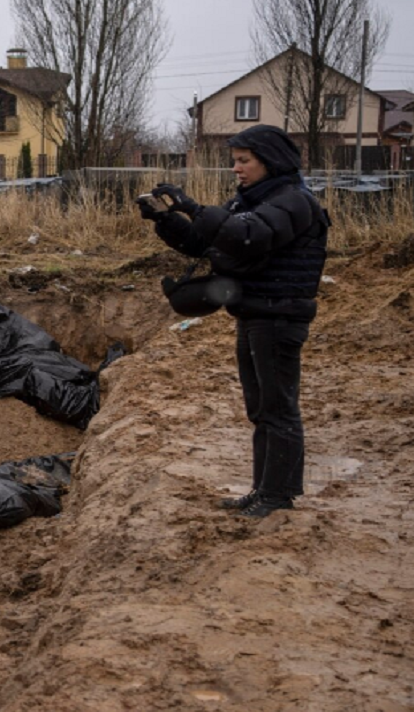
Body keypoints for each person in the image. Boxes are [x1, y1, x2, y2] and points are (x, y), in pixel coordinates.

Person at [137, 124, 329, 518]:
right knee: (261, 407)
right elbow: (205, 243)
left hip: (279, 315)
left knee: (277, 408)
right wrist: (165, 219)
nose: (236, 170)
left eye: (244, 161)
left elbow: (249, 237)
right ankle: (264, 489)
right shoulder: (251, 200)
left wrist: (192, 207)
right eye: (234, 162)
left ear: (270, 161)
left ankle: (277, 495)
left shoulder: (294, 201)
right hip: (255, 312)